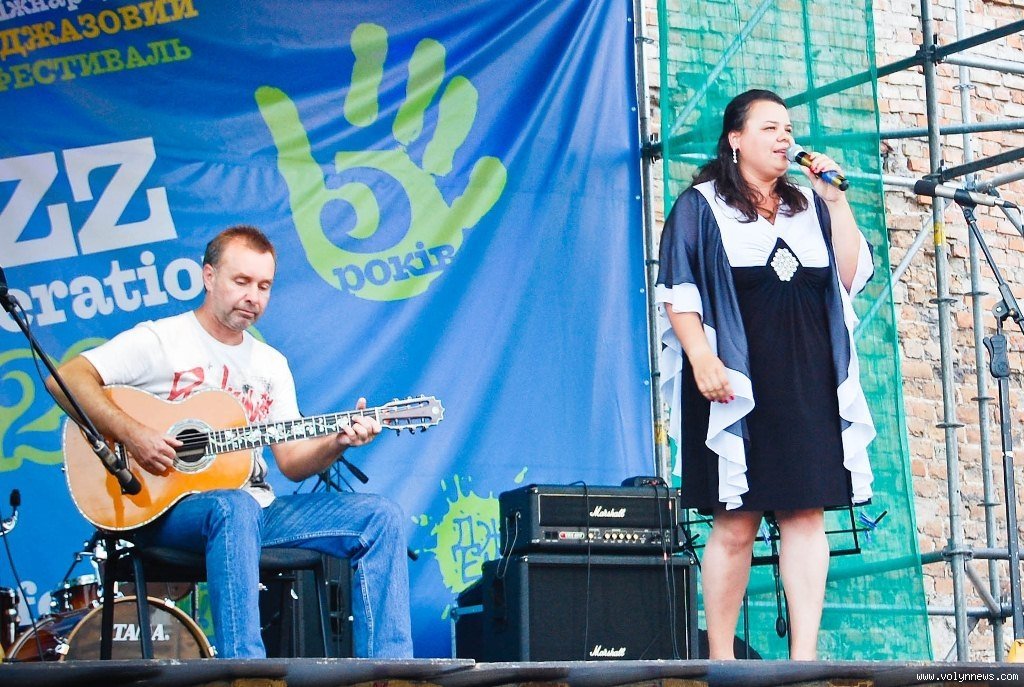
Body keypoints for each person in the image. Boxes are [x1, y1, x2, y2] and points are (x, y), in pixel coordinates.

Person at [45, 225, 413, 659]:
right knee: (233, 506)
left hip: (256, 512)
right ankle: (245, 671)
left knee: (381, 517)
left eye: (264, 286)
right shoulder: (162, 340)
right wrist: (134, 434)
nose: (253, 297)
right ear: (209, 276)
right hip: (165, 511)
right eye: (242, 282)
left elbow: (292, 462)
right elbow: (66, 379)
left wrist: (338, 442)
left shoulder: (270, 364)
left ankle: (392, 673)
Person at [655, 89, 876, 660]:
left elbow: (850, 277)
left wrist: (836, 202)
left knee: (806, 513)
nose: (784, 138)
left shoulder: (810, 205)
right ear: (735, 139)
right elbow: (678, 293)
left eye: (788, 129)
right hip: (735, 380)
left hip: (808, 380)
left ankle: (803, 660)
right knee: (736, 520)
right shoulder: (701, 206)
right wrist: (702, 359)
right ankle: (721, 660)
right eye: (770, 128)